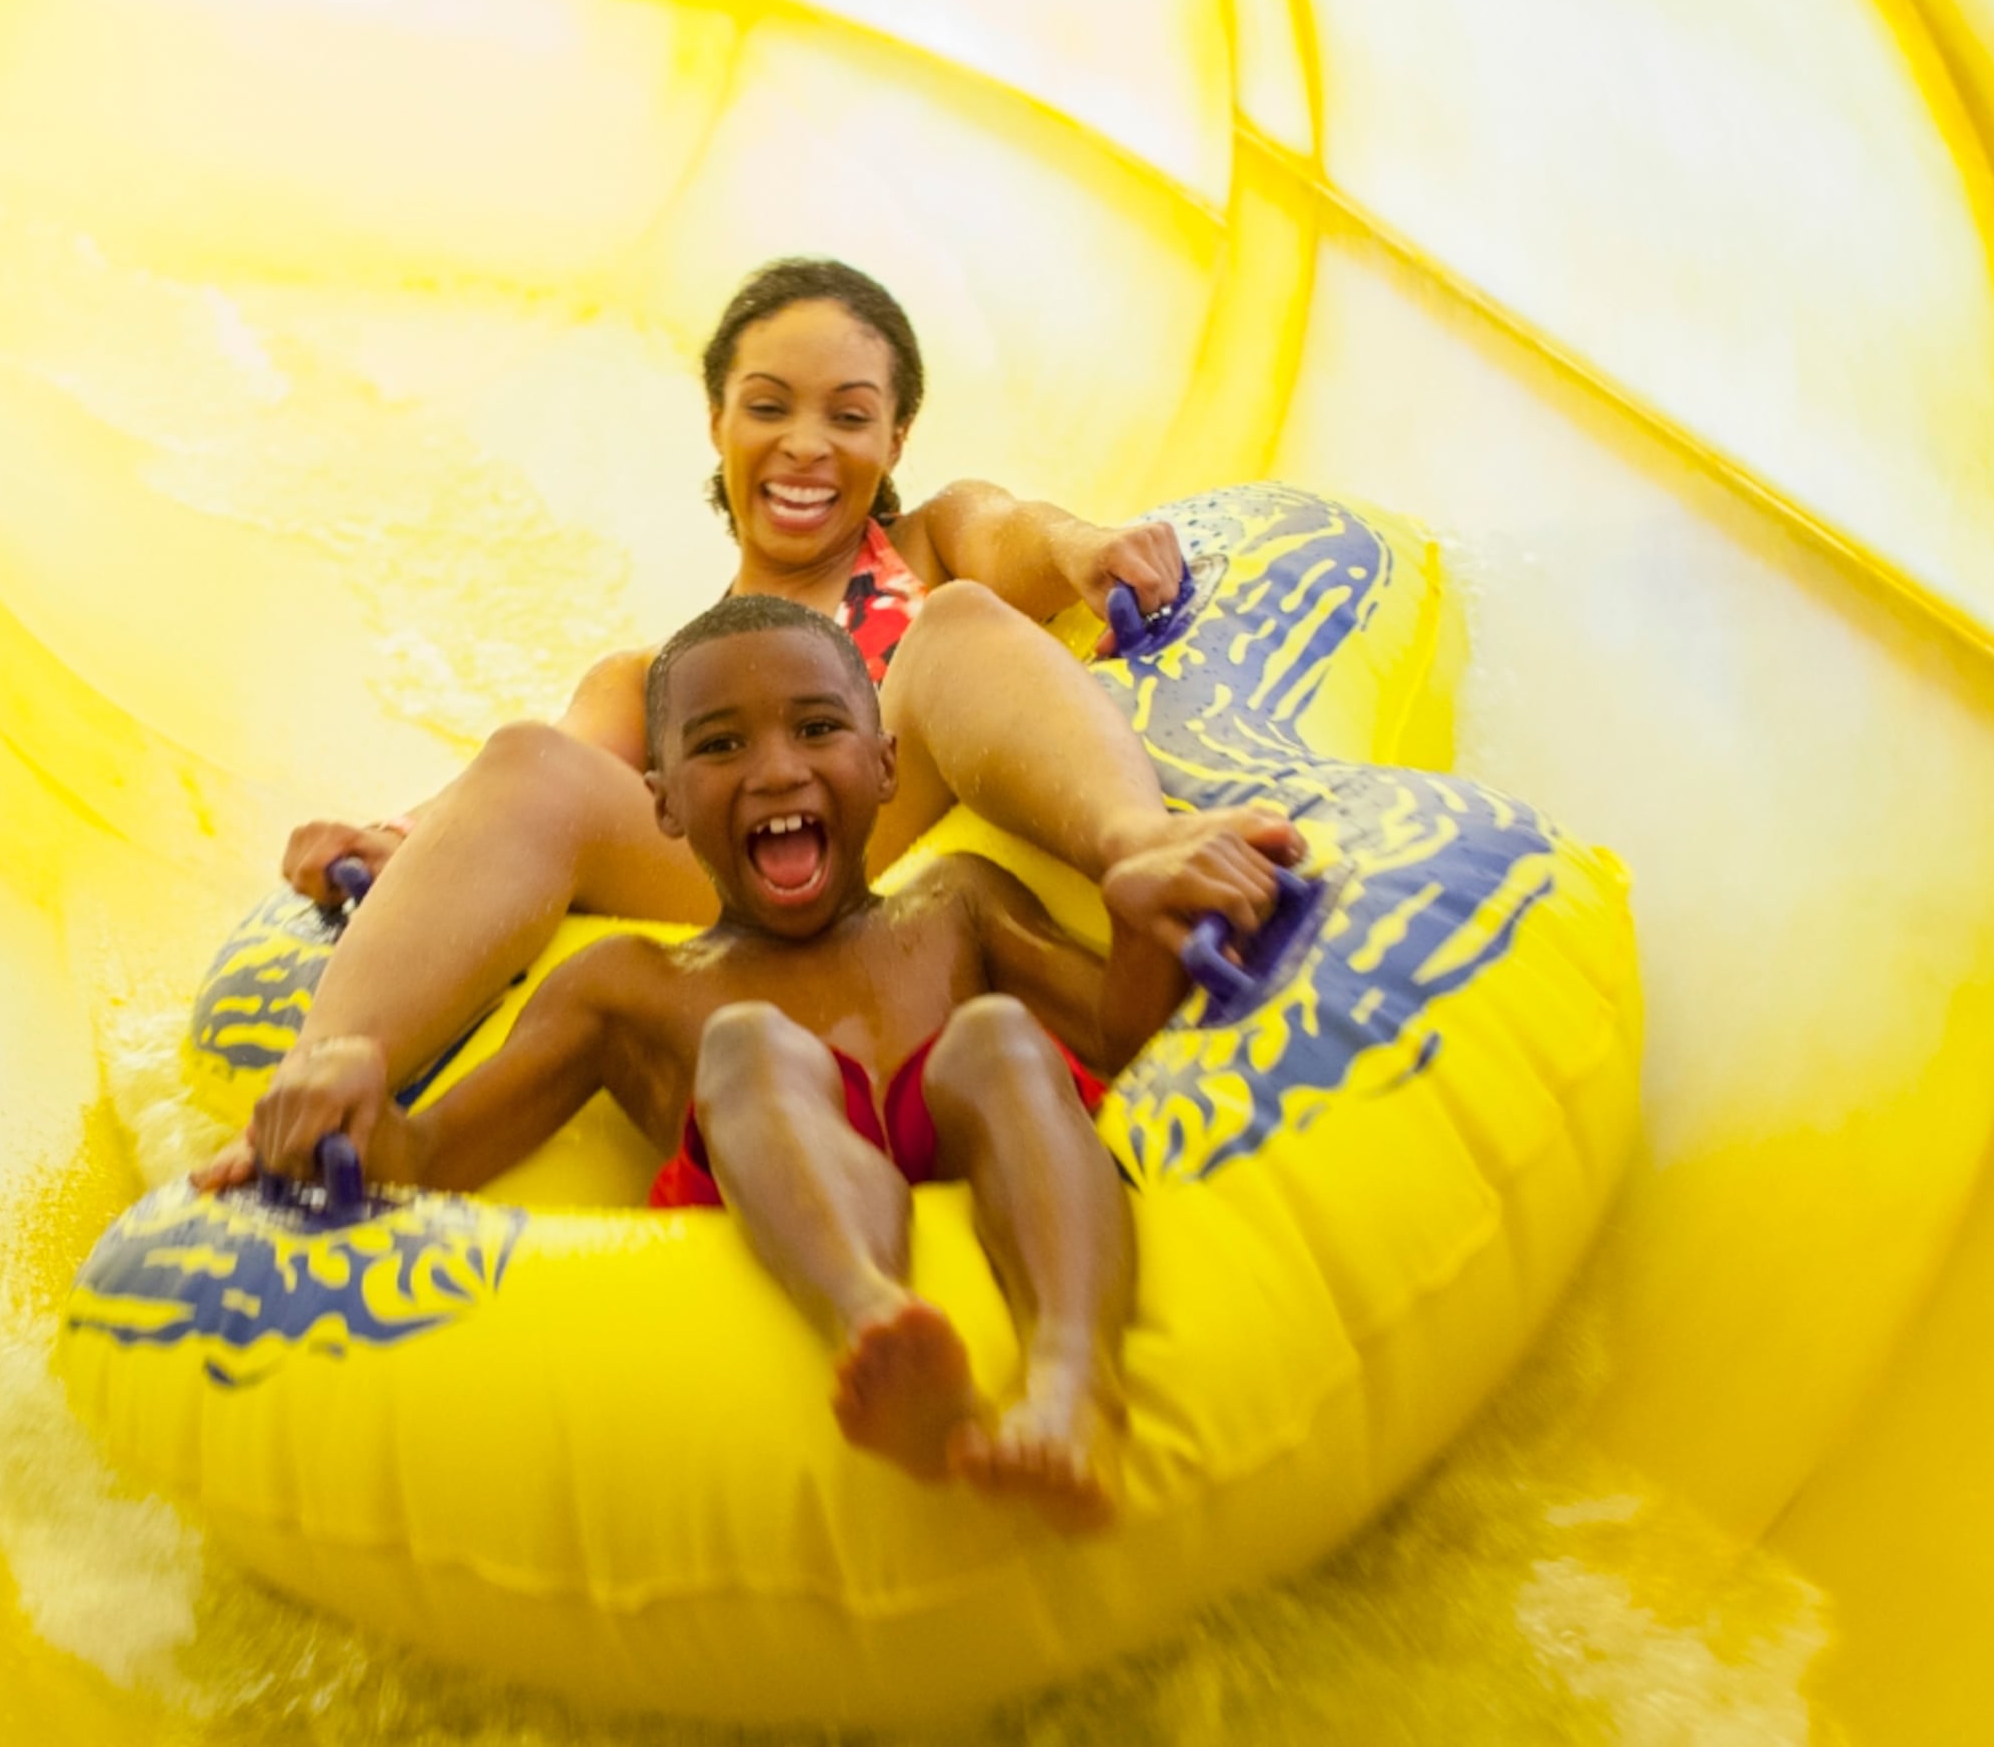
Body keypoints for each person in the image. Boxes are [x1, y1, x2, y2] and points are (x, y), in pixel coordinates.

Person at [203, 595, 1283, 1528]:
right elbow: (434, 1157)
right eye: (719, 747)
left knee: (998, 1041)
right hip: (767, 1178)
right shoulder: (635, 985)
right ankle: (875, 1323)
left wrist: (1143, 932)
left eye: (819, 728)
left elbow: (1122, 1050)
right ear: (661, 802)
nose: (775, 769)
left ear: (886, 763)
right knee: (751, 1046)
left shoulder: (956, 906)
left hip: (967, 1136)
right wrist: (355, 1104)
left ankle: (1069, 1387)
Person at [252, 255, 1297, 1164]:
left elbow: (1020, 531)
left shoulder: (930, 544)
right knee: (532, 754)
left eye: (848, 415)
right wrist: (395, 837)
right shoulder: (657, 677)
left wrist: (1088, 552)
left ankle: (1140, 844)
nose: (806, 444)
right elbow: (544, 775)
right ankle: (325, 1080)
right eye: (768, 407)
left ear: (896, 436)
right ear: (718, 423)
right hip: (748, 885)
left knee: (958, 624)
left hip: (905, 813)